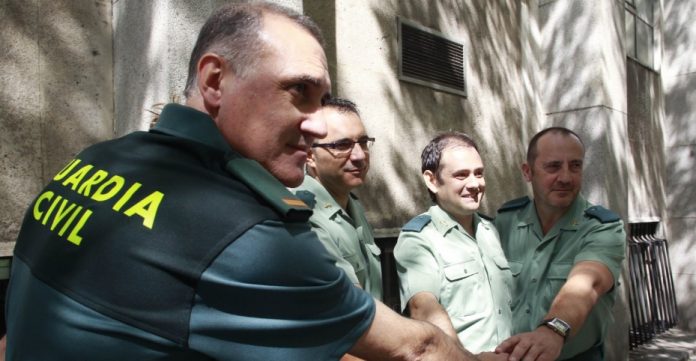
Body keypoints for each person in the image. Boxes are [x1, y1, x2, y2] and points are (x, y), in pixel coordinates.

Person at [5, 2, 487, 361]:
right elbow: (417, 349)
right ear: (215, 82)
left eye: (322, 99)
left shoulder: (95, 160)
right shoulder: (248, 233)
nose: (319, 125)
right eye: (298, 91)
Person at [494, 127, 626, 361]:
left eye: (575, 166)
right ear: (527, 171)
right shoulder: (505, 221)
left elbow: (588, 283)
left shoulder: (603, 227)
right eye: (553, 166)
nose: (566, 177)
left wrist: (554, 330)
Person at [394, 132, 513, 355]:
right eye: (461, 175)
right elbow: (423, 308)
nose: (475, 184)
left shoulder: (491, 230)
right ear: (431, 180)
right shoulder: (418, 238)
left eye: (479, 173)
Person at [292, 97, 383, 300]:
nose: (360, 156)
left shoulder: (352, 204)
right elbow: (354, 305)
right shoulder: (302, 217)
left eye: (363, 142)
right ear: (309, 155)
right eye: (342, 145)